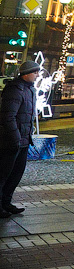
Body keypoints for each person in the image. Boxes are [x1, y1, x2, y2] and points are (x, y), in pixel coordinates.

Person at [0, 60, 40, 218]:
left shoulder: (29, 89)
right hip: (11, 142)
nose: (37, 75)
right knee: (4, 175)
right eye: (35, 72)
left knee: (16, 174)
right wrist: (16, 139)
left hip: (23, 141)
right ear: (27, 73)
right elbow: (8, 117)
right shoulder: (15, 89)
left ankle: (6, 203)